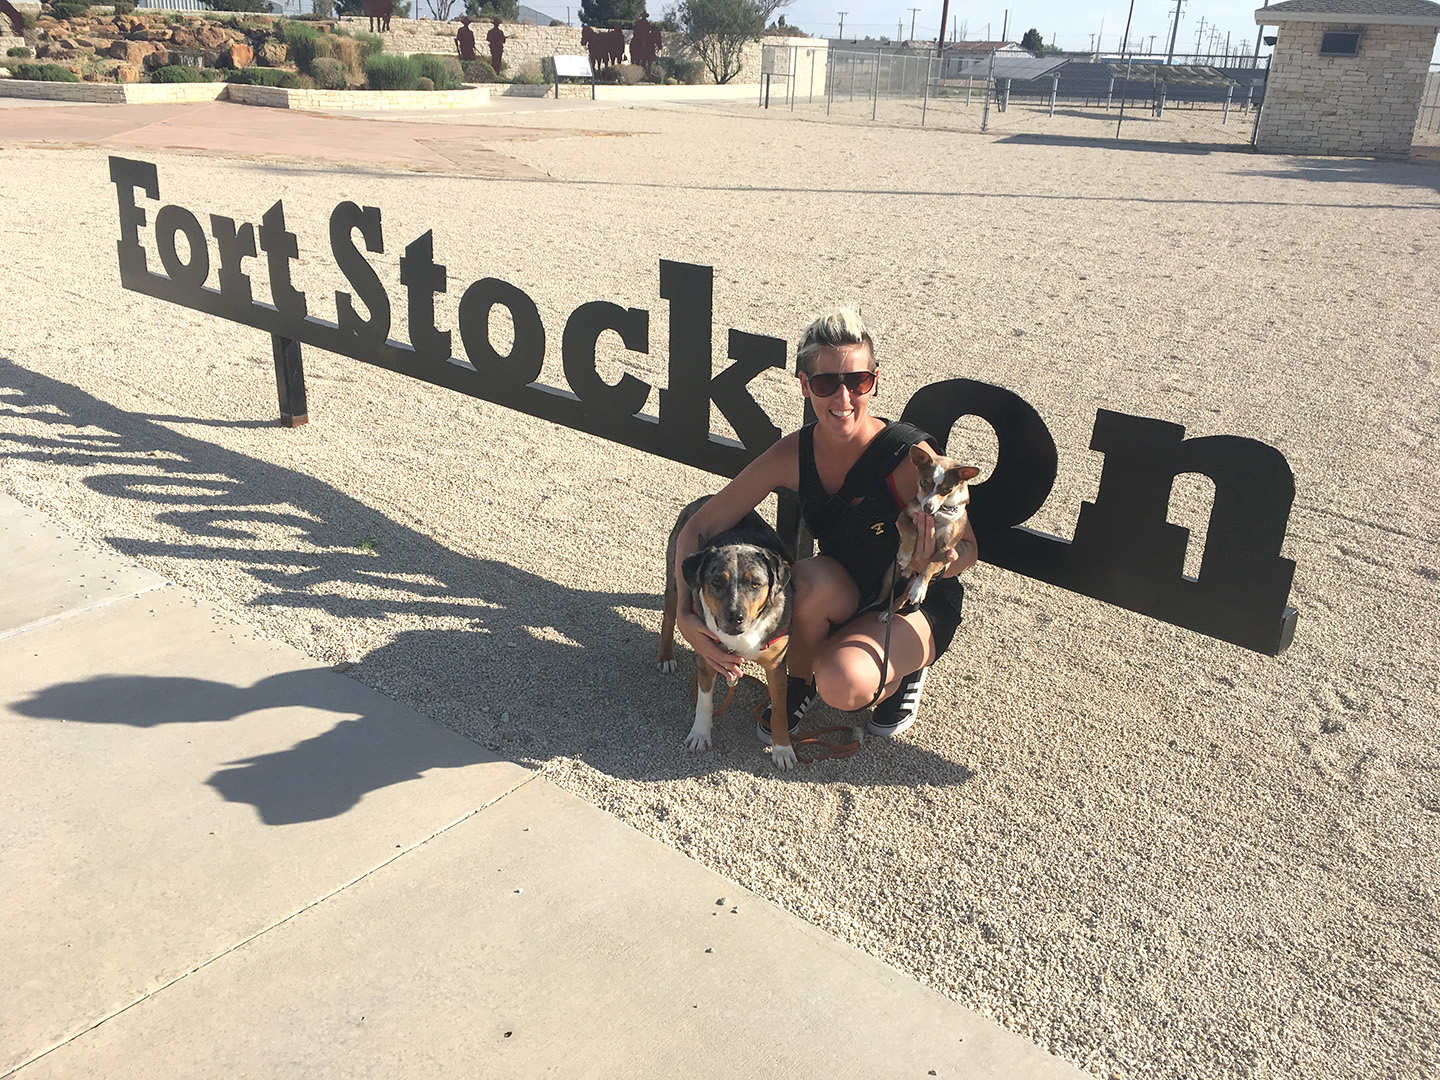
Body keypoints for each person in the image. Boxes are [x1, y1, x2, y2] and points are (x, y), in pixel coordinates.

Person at [673, 308, 977, 743]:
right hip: (844, 585)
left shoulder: (909, 456)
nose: (843, 398)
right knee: (802, 578)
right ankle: (800, 679)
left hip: (912, 596)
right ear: (803, 385)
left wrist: (936, 565)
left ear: (875, 379)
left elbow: (969, 549)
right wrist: (687, 615)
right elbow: (697, 528)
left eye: (858, 381)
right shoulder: (792, 453)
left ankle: (907, 669)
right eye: (825, 383)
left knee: (842, 684)